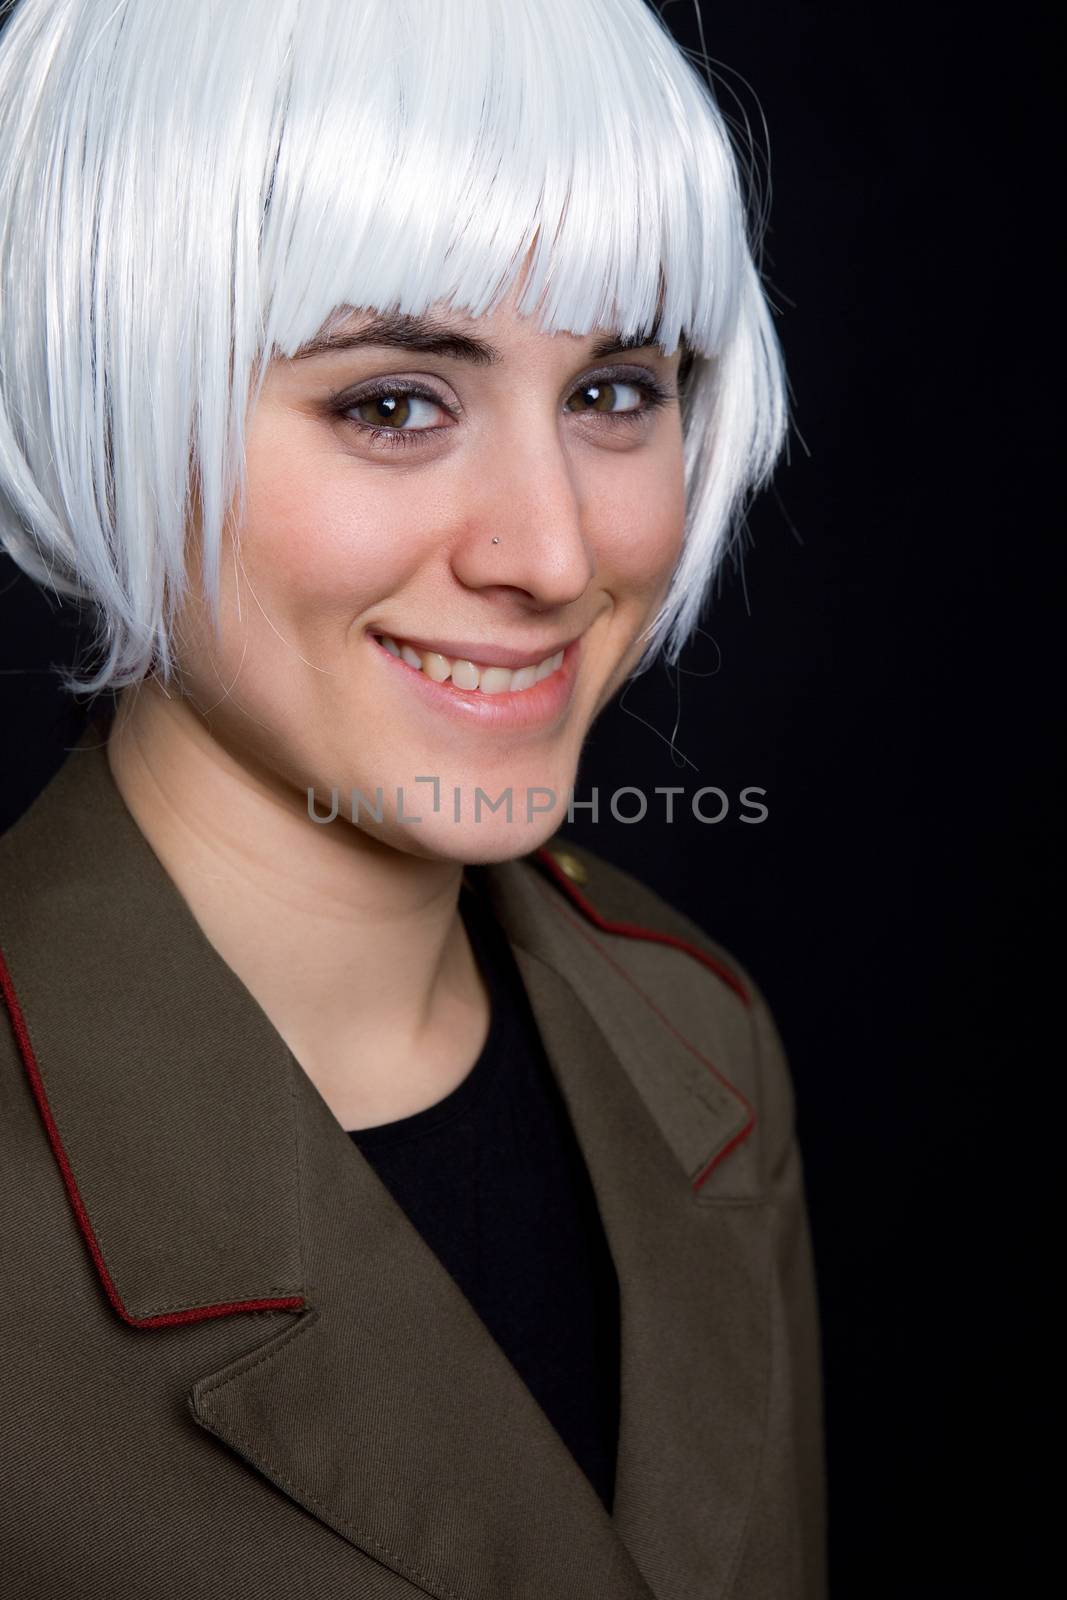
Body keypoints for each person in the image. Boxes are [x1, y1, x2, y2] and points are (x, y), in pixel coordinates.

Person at [0, 1, 825, 1595]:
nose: (554, 553)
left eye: (614, 390)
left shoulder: (699, 1046)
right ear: (108, 396)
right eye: (394, 403)